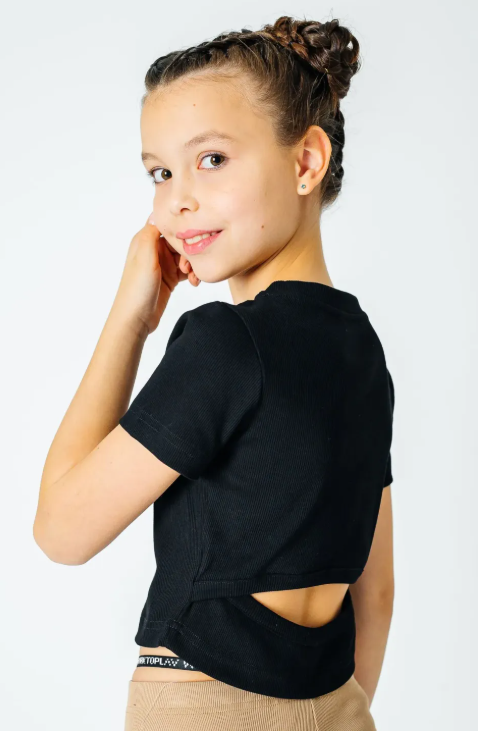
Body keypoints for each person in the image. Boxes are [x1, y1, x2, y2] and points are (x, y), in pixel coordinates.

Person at [33, 14, 395, 731]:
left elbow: (62, 530)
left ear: (306, 162)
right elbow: (375, 591)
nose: (177, 199)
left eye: (212, 159)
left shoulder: (225, 343)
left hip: (201, 703)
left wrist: (131, 319)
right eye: (160, 172)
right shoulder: (363, 350)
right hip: (338, 703)